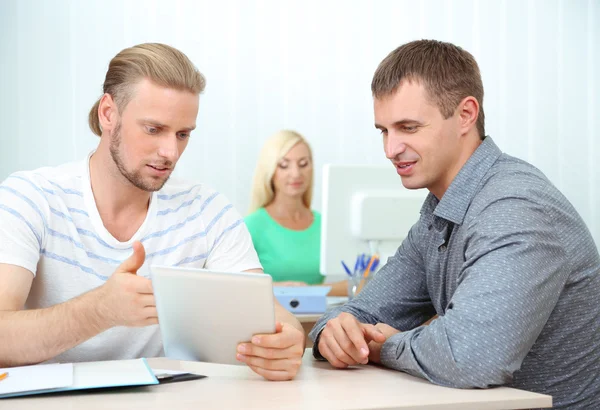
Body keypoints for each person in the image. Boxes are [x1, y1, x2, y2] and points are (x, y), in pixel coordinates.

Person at [309, 39, 600, 408]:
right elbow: (364, 310)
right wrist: (332, 333)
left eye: (408, 128)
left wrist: (385, 348)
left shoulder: (515, 207)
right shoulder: (440, 211)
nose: (390, 149)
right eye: (384, 130)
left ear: (465, 115)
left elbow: (472, 356)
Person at [0, 43, 304, 381]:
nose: (170, 152)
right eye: (153, 129)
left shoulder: (206, 209)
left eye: (183, 134)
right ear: (108, 114)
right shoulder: (31, 198)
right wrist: (100, 310)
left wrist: (288, 339)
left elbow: (271, 316)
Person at [245, 130, 346, 295]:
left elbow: (357, 284)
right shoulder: (251, 227)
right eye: (284, 165)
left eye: (303, 164)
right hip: (270, 320)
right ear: (269, 171)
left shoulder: (325, 225)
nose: (296, 174)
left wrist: (307, 292)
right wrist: (280, 289)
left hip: (319, 319)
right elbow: (237, 287)